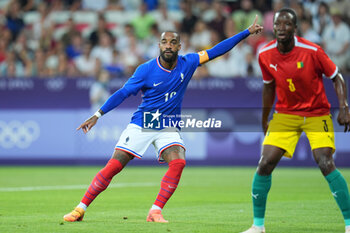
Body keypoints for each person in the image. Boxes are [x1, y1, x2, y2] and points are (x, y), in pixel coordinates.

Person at [63, 16, 263, 223]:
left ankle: (155, 211)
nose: (168, 46)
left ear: (179, 46)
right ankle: (80, 209)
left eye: (173, 42)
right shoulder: (146, 69)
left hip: (168, 125)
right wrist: (97, 115)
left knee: (178, 162)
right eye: (165, 42)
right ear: (159, 45)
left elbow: (217, 50)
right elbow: (122, 93)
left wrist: (246, 32)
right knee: (114, 166)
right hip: (144, 122)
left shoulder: (189, 62)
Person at [241, 8, 350, 233]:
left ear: (295, 28)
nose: (281, 28)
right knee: (264, 164)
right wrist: (265, 118)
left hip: (316, 113)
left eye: (287, 24)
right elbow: (268, 87)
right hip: (285, 114)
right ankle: (257, 226)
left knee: (325, 162)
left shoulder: (312, 51)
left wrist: (344, 106)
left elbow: (337, 77)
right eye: (278, 24)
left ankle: (349, 224)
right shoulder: (265, 54)